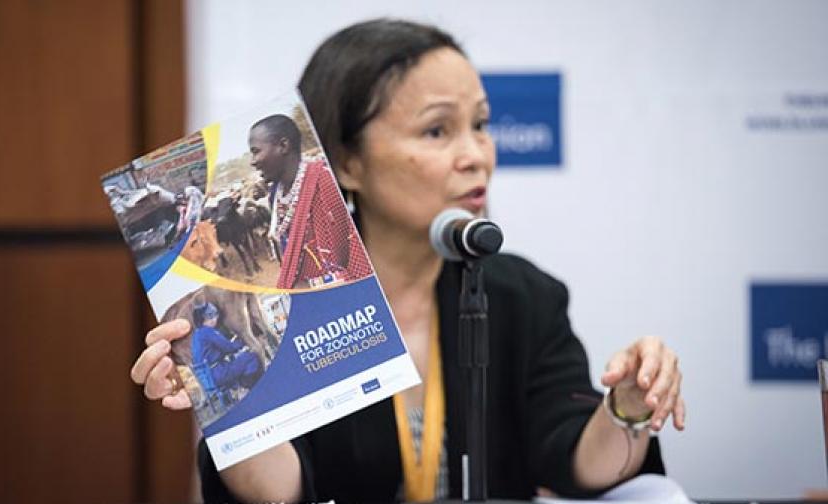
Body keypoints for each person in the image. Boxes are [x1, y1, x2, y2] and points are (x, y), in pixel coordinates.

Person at [130, 18, 686, 503]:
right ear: (345, 161)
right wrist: (235, 405)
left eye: (481, 125)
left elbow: (578, 464)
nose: (476, 156)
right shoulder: (294, 300)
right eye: (438, 130)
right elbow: (281, 493)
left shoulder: (524, 294)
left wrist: (628, 408)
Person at [247, 114, 373, 288]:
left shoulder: (325, 183)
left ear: (283, 146)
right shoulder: (275, 194)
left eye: (256, 152)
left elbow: (355, 255)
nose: (252, 162)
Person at [190, 302, 262, 392]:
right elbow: (229, 348)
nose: (215, 319)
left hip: (207, 380)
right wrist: (242, 341)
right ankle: (249, 385)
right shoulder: (208, 331)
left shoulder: (196, 336)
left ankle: (241, 385)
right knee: (251, 357)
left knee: (237, 362)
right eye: (213, 316)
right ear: (207, 318)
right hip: (218, 374)